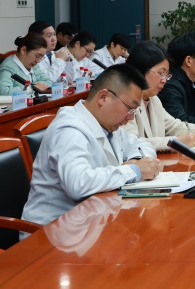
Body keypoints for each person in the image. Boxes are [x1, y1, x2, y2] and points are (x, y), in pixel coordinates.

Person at [22, 64, 160, 227]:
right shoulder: (69, 130)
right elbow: (78, 184)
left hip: (92, 219)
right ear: (103, 97)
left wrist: (137, 160)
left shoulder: (109, 124)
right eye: (130, 108)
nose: (131, 117)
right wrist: (134, 170)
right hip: (54, 230)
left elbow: (141, 144)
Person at [124, 41, 195, 151]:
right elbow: (132, 143)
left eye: (166, 74)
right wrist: (175, 142)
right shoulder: (125, 101)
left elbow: (175, 126)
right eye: (161, 73)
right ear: (140, 71)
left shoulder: (154, 100)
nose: (164, 80)